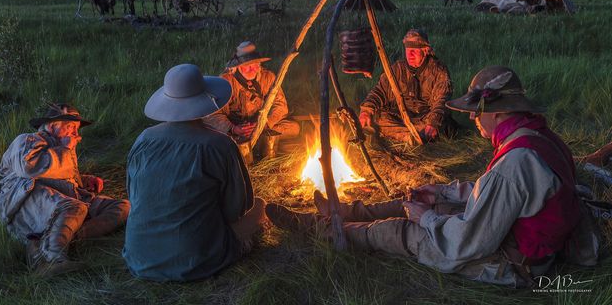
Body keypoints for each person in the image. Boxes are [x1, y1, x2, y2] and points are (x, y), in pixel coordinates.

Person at [266, 66, 599, 287]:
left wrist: (425, 219)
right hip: (511, 233)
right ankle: (341, 212)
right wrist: (442, 192)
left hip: (515, 262)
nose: (474, 121)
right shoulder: (537, 137)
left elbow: (469, 241)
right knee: (418, 204)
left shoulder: (517, 160)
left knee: (402, 230)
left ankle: (321, 230)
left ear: (498, 112)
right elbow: (499, 195)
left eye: (477, 113)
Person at [123, 64, 266, 281]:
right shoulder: (219, 145)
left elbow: (133, 194)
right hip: (199, 260)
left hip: (139, 257)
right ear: (206, 99)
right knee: (260, 207)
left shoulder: (143, 139)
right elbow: (237, 208)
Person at [0, 103, 130, 277]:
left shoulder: (60, 146)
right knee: (75, 207)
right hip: (27, 202)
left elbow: (57, 174)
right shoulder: (28, 140)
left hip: (62, 200)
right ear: (52, 126)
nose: (76, 134)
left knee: (123, 206)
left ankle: (68, 238)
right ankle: (51, 259)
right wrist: (65, 149)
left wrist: (84, 180)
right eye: (71, 127)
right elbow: (29, 167)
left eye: (77, 129)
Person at [204, 41, 300, 161]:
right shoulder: (225, 82)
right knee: (214, 137)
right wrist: (234, 128)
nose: (252, 69)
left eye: (255, 64)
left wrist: (264, 124)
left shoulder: (268, 77)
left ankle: (261, 144)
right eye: (247, 65)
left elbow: (280, 106)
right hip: (236, 131)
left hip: (263, 127)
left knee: (294, 128)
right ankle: (253, 146)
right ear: (237, 66)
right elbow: (211, 114)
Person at [358, 29, 452, 144]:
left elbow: (441, 101)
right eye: (408, 50)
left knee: (438, 122)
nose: (410, 54)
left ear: (425, 50)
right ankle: (412, 138)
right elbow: (380, 91)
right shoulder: (397, 69)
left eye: (414, 50)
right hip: (401, 116)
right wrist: (366, 111)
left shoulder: (438, 71)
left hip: (424, 117)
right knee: (378, 117)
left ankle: (409, 136)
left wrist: (433, 122)